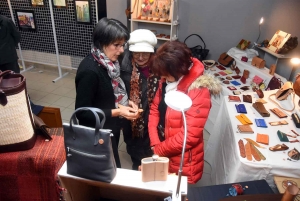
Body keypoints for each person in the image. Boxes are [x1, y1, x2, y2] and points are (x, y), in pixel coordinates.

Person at [148, 41, 222, 184]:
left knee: (179, 191)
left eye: (165, 75)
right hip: (162, 147)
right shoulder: (166, 81)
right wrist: (155, 143)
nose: (162, 78)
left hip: (182, 157)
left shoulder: (198, 90)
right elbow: (154, 110)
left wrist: (159, 149)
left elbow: (189, 136)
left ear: (178, 70)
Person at [75, 18, 140, 168]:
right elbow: (82, 112)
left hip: (110, 129)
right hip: (97, 133)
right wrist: (118, 111)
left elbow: (108, 93)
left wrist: (125, 102)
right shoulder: (89, 70)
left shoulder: (110, 64)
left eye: (123, 45)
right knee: (107, 170)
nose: (122, 50)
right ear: (101, 42)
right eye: (116, 45)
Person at [120, 29, 160, 170]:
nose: (141, 57)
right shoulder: (123, 65)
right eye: (137, 53)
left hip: (154, 112)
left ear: (152, 52)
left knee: (153, 140)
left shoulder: (160, 65)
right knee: (133, 140)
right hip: (131, 114)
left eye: (145, 53)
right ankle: (136, 163)